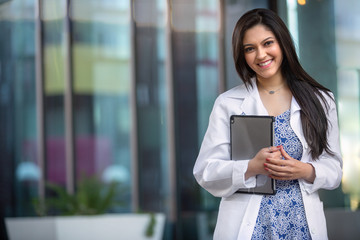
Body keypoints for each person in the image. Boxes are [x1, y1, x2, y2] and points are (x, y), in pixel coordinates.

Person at [193, 8, 342, 240]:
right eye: (250, 49)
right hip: (248, 227)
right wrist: (251, 167)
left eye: (267, 43)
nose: (261, 55)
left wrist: (305, 170)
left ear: (282, 43)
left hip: (300, 226)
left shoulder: (321, 100)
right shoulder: (228, 103)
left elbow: (334, 169)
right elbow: (205, 172)